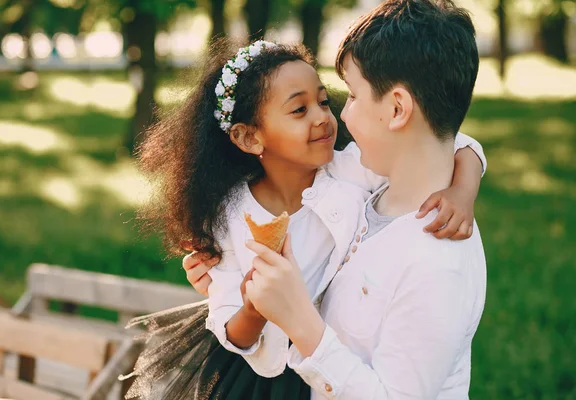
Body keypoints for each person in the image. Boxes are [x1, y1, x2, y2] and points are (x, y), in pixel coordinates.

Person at [125, 34, 486, 399]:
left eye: (324, 102)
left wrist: (463, 189)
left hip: (332, 362)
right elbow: (228, 325)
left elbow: (441, 140)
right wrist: (255, 308)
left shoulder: (349, 171)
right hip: (261, 380)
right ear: (249, 138)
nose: (324, 118)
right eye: (299, 110)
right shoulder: (230, 217)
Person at [234, 1, 487, 399]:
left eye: (351, 96)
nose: (342, 116)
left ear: (398, 109)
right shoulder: (370, 194)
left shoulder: (439, 261)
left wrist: (301, 321)